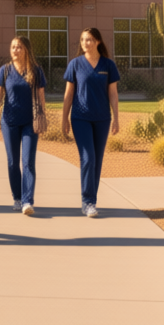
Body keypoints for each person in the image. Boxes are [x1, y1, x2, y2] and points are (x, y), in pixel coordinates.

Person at [61, 27, 120, 218]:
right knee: (88, 158)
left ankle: (91, 201)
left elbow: (113, 93)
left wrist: (116, 118)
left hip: (102, 118)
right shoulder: (75, 64)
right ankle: (87, 202)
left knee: (97, 160)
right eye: (83, 40)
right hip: (80, 118)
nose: (85, 43)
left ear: (98, 42)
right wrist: (64, 119)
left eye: (89, 40)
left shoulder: (108, 65)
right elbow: (68, 94)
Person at [0, 36, 46, 216]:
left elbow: (41, 97)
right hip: (9, 122)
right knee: (13, 162)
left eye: (19, 47)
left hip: (30, 123)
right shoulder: (5, 70)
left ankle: (28, 200)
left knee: (28, 161)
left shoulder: (36, 71)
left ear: (26, 50)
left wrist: (42, 118)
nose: (15, 50)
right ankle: (17, 197)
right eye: (13, 46)